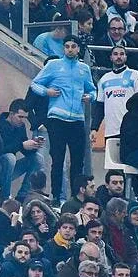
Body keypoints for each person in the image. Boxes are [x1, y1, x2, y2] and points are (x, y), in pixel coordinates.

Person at [29, 36, 95, 202]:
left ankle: (75, 197)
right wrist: (47, 92)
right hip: (57, 118)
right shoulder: (54, 65)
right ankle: (57, 196)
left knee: (78, 162)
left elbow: (93, 90)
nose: (70, 49)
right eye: (67, 46)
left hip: (77, 119)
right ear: (63, 48)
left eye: (73, 46)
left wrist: (90, 97)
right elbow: (35, 84)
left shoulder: (84, 68)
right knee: (57, 160)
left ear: (78, 49)